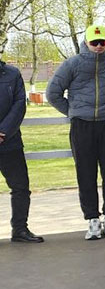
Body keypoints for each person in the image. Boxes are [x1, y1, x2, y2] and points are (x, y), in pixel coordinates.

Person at [46, 23, 105, 240]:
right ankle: (92, 220)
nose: (98, 46)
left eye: (102, 42)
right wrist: (73, 111)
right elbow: (53, 93)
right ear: (86, 43)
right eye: (94, 42)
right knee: (85, 173)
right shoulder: (72, 64)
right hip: (82, 126)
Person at [1, 57, 41, 243]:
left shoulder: (12, 74)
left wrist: (3, 132)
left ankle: (20, 230)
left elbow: (19, 105)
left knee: (20, 187)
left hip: (10, 142)